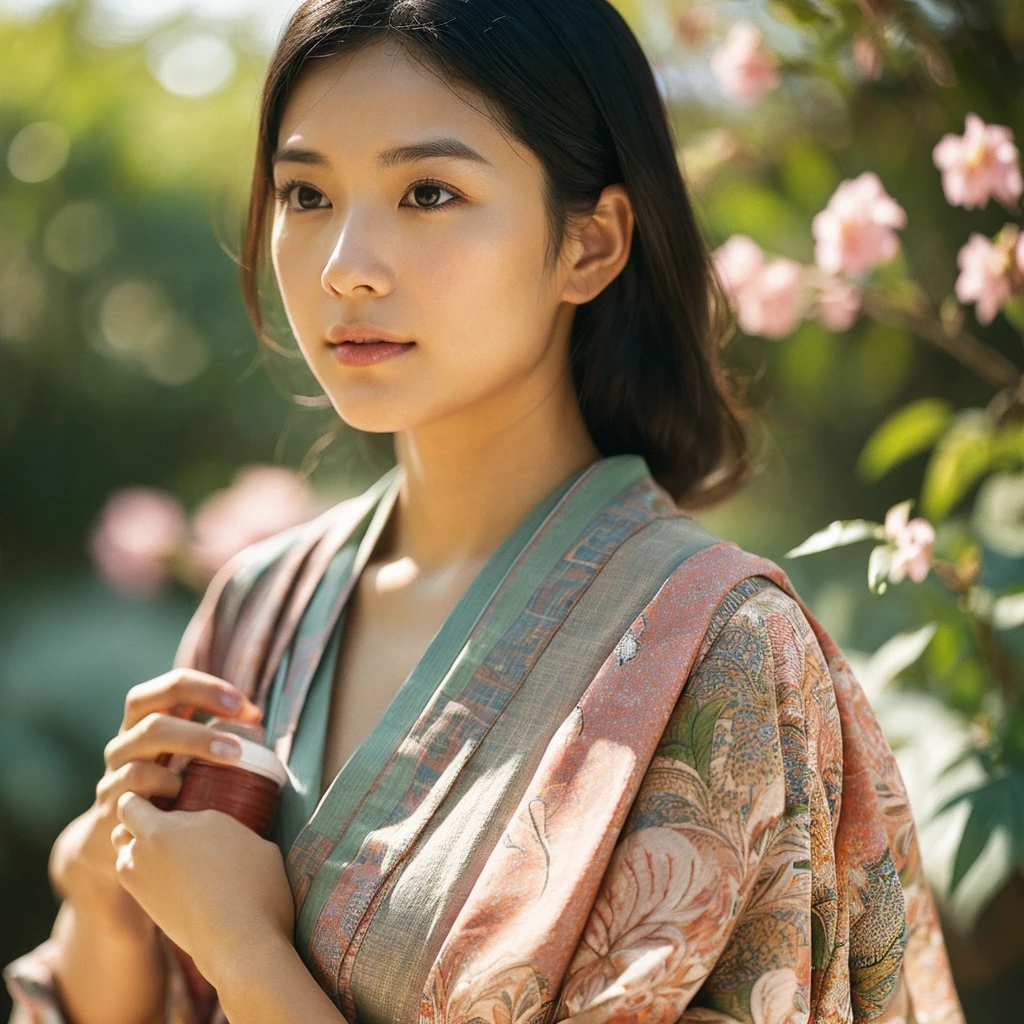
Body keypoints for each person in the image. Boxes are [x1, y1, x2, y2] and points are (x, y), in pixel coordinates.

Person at [4, 1, 966, 1022]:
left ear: (589, 245)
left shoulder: (724, 652)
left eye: (428, 191)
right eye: (306, 192)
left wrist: (248, 954)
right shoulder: (258, 608)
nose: (345, 266)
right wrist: (100, 897)